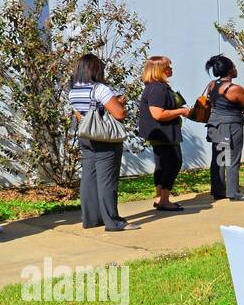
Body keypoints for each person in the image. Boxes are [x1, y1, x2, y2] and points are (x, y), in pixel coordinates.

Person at [67, 53, 138, 231]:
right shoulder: (100, 89)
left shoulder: (73, 90)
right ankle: (113, 222)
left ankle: (91, 219)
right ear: (95, 69)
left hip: (86, 137)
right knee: (107, 180)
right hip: (105, 138)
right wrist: (120, 103)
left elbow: (80, 115)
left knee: (89, 178)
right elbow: (119, 114)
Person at [137, 56, 190, 211]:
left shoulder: (155, 86)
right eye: (168, 66)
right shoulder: (157, 88)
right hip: (164, 133)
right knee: (174, 163)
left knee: (161, 164)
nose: (171, 69)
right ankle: (165, 199)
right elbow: (158, 114)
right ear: (159, 70)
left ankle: (160, 197)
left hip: (160, 133)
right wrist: (182, 111)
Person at [204, 54, 244, 202]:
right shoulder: (234, 88)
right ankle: (233, 192)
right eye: (234, 67)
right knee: (232, 157)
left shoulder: (212, 85)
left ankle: (218, 190)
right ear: (230, 70)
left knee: (219, 158)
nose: (236, 69)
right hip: (231, 125)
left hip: (215, 125)